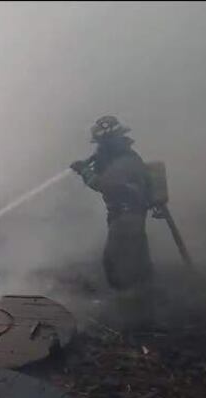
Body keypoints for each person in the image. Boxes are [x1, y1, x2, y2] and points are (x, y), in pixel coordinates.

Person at [70, 115, 156, 330]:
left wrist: (85, 171)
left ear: (110, 141)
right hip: (129, 216)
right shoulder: (121, 158)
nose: (98, 148)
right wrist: (93, 163)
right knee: (137, 260)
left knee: (114, 263)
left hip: (127, 218)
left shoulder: (125, 162)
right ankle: (145, 303)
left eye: (101, 144)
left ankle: (129, 314)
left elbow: (104, 185)